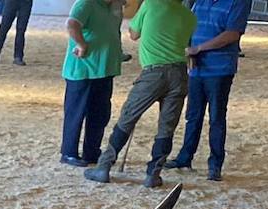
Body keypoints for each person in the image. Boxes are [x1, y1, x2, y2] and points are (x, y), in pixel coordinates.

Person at [84, 0, 195, 187]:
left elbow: (134, 34)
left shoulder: (151, 4)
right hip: (180, 73)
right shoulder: (190, 16)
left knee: (128, 117)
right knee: (166, 127)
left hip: (153, 72)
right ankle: (153, 173)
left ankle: (104, 166)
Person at [164, 0, 248, 180]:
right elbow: (190, 24)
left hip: (220, 68)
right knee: (193, 115)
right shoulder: (201, 1)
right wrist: (188, 49)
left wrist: (199, 48)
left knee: (216, 116)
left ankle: (215, 164)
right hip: (197, 67)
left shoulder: (238, 2)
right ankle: (185, 157)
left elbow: (232, 34)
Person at [61, 0, 124, 166]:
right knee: (76, 113)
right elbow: (72, 24)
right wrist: (81, 44)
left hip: (105, 69)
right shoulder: (86, 3)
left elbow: (113, 31)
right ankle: (69, 153)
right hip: (83, 69)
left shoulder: (115, 6)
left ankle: (92, 152)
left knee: (100, 114)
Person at [0, 0, 34, 65]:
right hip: (11, 2)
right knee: (4, 27)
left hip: (26, 3)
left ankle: (18, 56)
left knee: (21, 30)